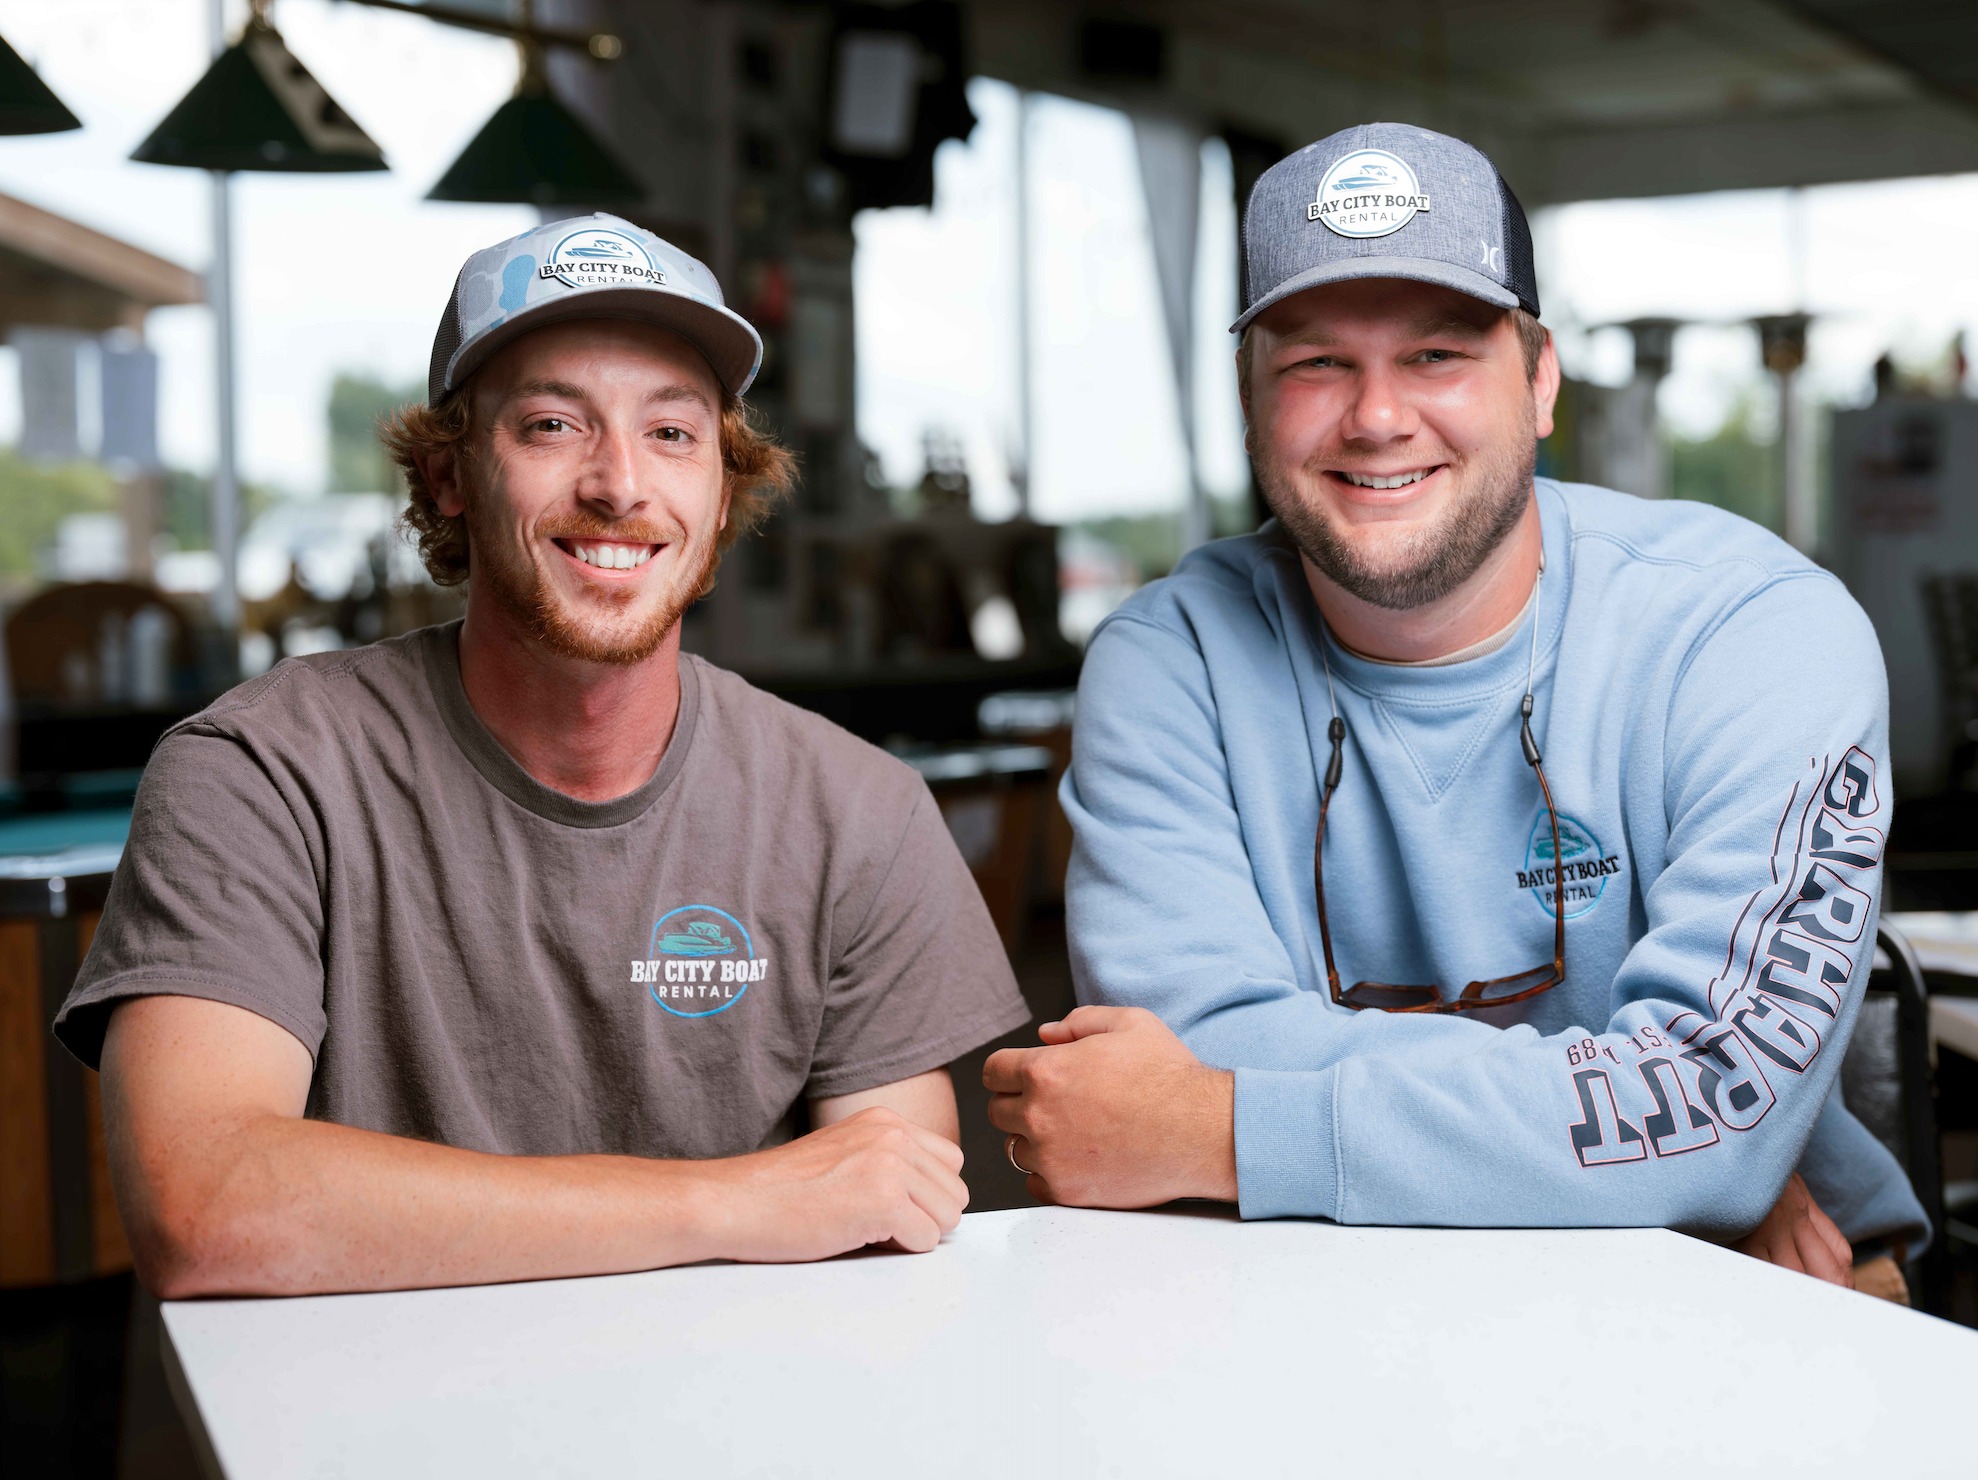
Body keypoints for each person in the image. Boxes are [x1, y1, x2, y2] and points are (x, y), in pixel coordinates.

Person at [986, 124, 1926, 1298]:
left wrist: (1226, 1127)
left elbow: (1713, 1119)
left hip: (1756, 1293)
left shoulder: (1754, 632)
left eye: (1437, 353)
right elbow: (1175, 1059)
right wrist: (1643, 1146)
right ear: (1248, 401)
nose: (1376, 416)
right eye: (1315, 363)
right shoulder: (1165, 660)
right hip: (1313, 1293)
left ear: (1538, 382)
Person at [56, 216, 1029, 1296]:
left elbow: (884, 1224)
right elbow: (207, 1205)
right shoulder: (259, 775)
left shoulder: (859, 810)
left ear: (723, 483)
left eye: (672, 433)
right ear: (448, 478)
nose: (619, 484)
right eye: (554, 424)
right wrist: (735, 1199)